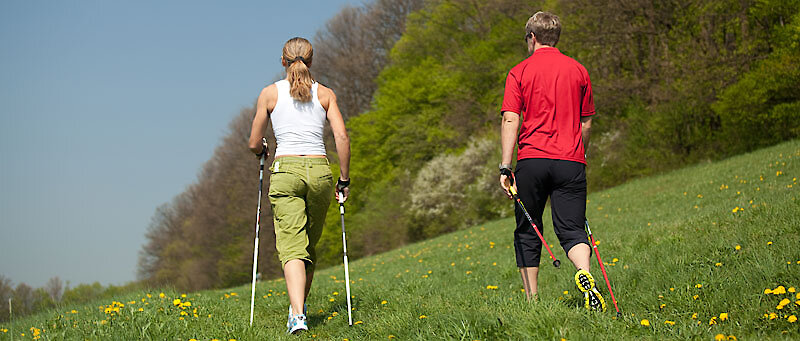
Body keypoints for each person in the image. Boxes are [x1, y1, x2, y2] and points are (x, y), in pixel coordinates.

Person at [498, 11, 605, 311]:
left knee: (528, 229)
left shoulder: (518, 72)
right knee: (572, 228)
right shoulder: (579, 70)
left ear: (532, 38)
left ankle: (533, 302)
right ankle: (584, 273)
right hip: (570, 160)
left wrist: (505, 166)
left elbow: (510, 119)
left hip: (532, 160)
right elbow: (586, 122)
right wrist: (579, 154)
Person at [248, 37, 351, 334]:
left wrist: (262, 149)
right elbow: (341, 137)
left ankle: (297, 315)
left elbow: (254, 142)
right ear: (311, 60)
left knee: (293, 246)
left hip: (285, 172)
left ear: (283, 61)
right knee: (308, 245)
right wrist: (344, 179)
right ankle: (298, 309)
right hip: (319, 172)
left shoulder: (270, 93)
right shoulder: (326, 94)